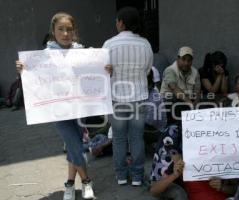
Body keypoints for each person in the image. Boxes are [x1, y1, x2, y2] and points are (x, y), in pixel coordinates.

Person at [16, 12, 97, 200]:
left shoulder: (82, 52)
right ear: (53, 31)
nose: (65, 33)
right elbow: (33, 79)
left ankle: (69, 184)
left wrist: (105, 69)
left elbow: (95, 74)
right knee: (76, 145)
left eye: (69, 29)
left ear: (74, 31)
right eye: (61, 29)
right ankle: (86, 181)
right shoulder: (44, 56)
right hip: (58, 110)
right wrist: (23, 70)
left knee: (72, 146)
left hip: (79, 109)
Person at [102, 6, 153, 186]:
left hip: (116, 98)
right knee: (137, 138)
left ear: (121, 22)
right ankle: (138, 177)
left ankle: (122, 175)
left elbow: (103, 70)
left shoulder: (109, 44)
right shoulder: (145, 44)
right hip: (138, 97)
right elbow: (148, 70)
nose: (116, 23)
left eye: (117, 20)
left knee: (119, 138)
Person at [160, 46, 201, 122]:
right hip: (169, 103)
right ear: (178, 58)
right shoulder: (170, 70)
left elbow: (197, 91)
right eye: (183, 59)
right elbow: (174, 88)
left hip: (186, 102)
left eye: (189, 60)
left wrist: (195, 104)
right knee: (173, 99)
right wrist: (189, 103)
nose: (186, 63)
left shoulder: (195, 72)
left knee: (205, 101)